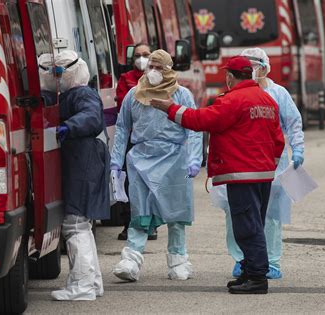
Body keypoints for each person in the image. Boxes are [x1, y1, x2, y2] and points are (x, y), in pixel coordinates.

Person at [152, 56, 285, 294]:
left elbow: (201, 120)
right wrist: (268, 166)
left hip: (242, 174)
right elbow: (278, 140)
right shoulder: (266, 100)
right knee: (254, 223)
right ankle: (249, 271)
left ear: (230, 77)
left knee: (247, 227)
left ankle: (256, 278)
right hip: (262, 175)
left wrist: (170, 108)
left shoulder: (233, 100)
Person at [209, 48, 305, 281]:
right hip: (241, 164)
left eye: (255, 65)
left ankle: (270, 261)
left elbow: (293, 123)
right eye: (247, 65)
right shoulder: (233, 94)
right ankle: (241, 259)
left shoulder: (278, 93)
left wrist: (298, 148)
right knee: (236, 213)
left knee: (271, 214)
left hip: (274, 163)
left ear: (265, 67)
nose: (251, 70)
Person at [111, 49, 203, 282]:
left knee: (176, 213)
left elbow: (193, 128)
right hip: (141, 158)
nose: (152, 70)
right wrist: (116, 162)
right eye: (150, 65)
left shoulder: (181, 95)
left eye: (158, 67)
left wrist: (194, 158)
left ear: (169, 69)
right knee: (140, 211)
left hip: (174, 159)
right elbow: (122, 128)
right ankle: (131, 259)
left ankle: (178, 259)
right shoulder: (134, 94)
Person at [50, 50, 110, 301]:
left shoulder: (82, 94)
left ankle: (83, 286)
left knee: (75, 225)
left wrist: (68, 126)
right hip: (84, 162)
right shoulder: (75, 94)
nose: (55, 77)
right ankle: (90, 282)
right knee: (82, 225)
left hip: (83, 163)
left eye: (57, 72)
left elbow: (91, 117)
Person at [115, 43, 157, 241]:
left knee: (152, 183)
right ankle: (129, 224)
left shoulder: (159, 80)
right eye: (138, 55)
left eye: (146, 55)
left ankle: (152, 224)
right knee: (130, 183)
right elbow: (126, 106)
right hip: (133, 140)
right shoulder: (126, 80)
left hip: (154, 140)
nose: (142, 58)